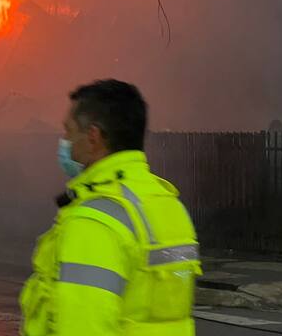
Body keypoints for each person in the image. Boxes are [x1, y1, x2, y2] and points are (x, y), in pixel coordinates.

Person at [20, 79, 201, 335]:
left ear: (93, 137)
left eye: (69, 131)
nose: (65, 141)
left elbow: (83, 327)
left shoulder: (94, 221)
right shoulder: (168, 204)